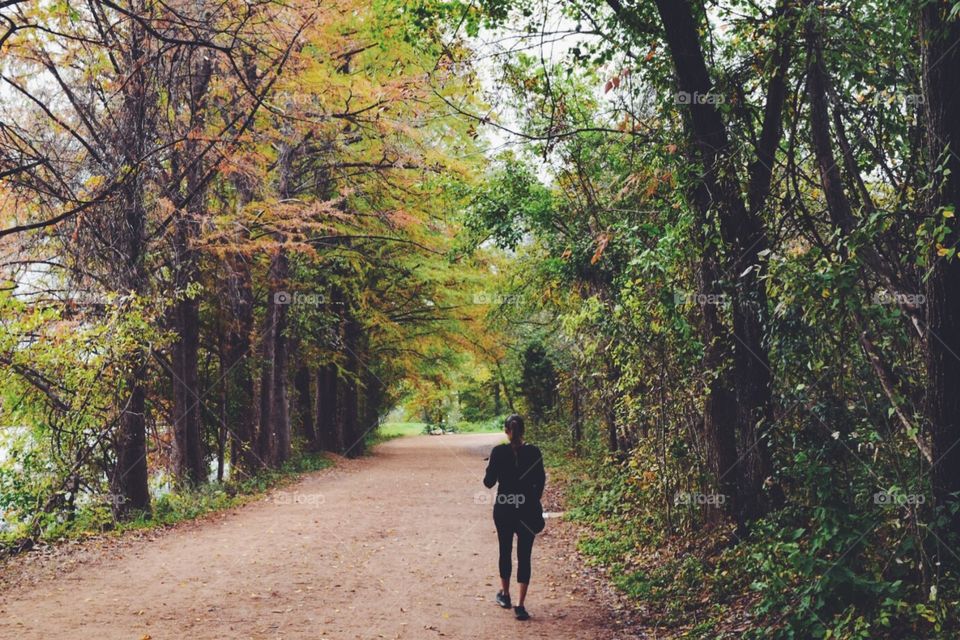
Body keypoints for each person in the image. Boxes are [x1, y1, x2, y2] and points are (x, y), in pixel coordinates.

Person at [482, 414, 546, 621]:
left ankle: (505, 595)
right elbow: (540, 482)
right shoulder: (534, 452)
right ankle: (520, 605)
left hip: (504, 507)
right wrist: (532, 501)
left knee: (505, 550)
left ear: (506, 431)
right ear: (523, 430)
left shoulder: (498, 452)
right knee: (524, 555)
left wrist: (492, 468)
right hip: (527, 509)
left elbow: (489, 482)